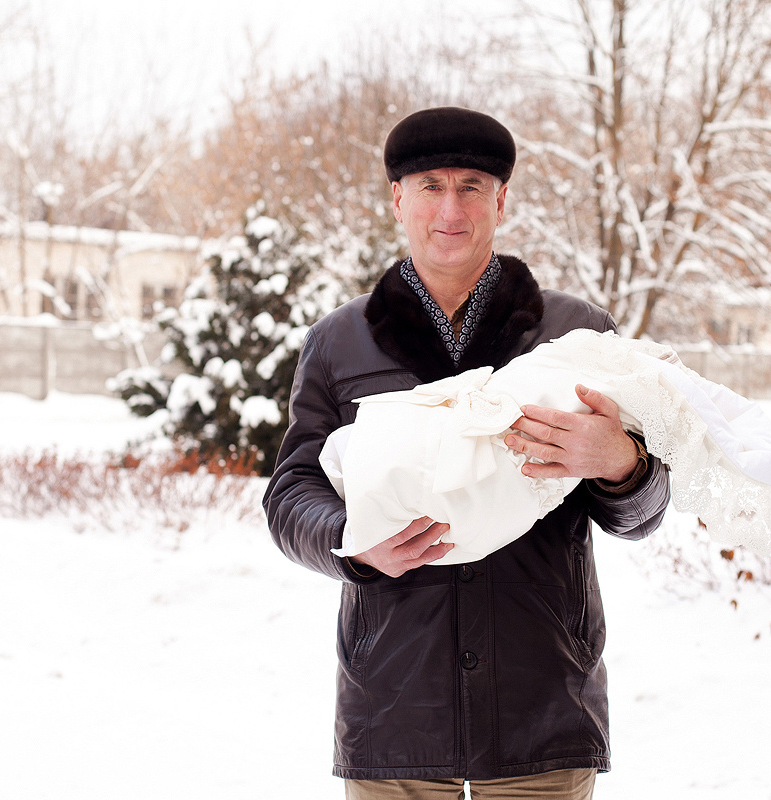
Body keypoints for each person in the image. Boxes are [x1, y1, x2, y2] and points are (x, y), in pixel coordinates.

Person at [262, 106, 672, 800]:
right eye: (430, 186)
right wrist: (350, 541)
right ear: (397, 198)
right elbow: (290, 493)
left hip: (541, 704)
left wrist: (622, 464)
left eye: (472, 186)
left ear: (502, 200)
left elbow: (644, 511)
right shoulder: (338, 342)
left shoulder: (576, 335)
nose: (450, 208)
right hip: (395, 709)